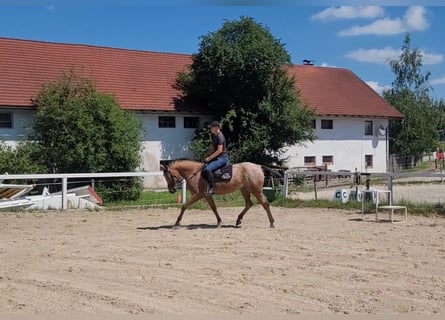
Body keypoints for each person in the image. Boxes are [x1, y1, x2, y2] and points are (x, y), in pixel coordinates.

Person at [203, 121, 229, 195]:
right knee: (204, 167)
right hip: (217, 158)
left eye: (212, 127)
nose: (210, 129)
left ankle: (213, 188)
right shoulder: (214, 135)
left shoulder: (220, 136)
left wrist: (210, 158)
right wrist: (206, 156)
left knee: (208, 169)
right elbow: (212, 148)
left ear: (217, 128)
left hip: (222, 158)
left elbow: (219, 150)